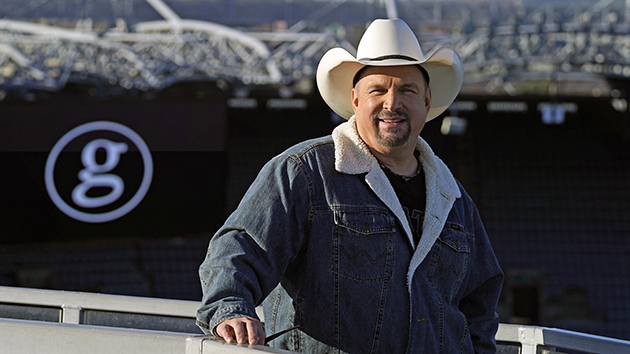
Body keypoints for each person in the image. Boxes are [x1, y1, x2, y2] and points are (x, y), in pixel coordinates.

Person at [197, 18, 504, 354]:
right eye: (378, 90)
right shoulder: (305, 172)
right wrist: (231, 309)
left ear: (427, 101)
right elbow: (239, 247)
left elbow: (480, 310)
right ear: (355, 99)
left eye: (407, 90)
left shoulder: (454, 199)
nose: (392, 102)